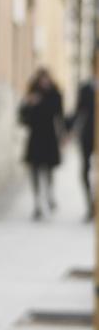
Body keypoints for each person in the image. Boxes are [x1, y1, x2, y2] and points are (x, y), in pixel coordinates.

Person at [18, 67, 64, 219]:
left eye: (46, 79)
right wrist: (30, 103)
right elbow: (22, 117)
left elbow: (59, 114)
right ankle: (37, 202)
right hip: (36, 136)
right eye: (41, 79)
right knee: (34, 170)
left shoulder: (55, 94)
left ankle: (49, 195)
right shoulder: (32, 95)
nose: (44, 82)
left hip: (49, 136)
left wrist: (63, 135)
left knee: (49, 170)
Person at [66, 61, 96, 221]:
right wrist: (68, 130)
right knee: (85, 172)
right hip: (88, 136)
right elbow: (78, 110)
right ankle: (90, 206)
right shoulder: (85, 88)